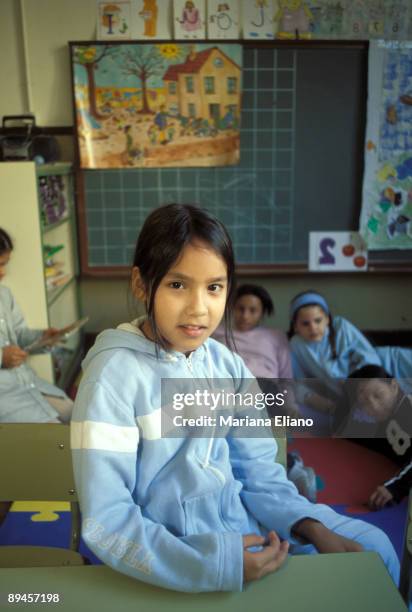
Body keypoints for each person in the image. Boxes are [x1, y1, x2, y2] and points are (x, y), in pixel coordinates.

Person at [71, 204, 399, 592]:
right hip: (177, 554)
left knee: (377, 549)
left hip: (251, 530)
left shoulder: (226, 364)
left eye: (214, 287)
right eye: (177, 285)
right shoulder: (113, 376)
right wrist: (215, 564)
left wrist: (308, 525)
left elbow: (260, 474)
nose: (199, 307)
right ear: (142, 285)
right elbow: (107, 519)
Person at [213, 284, 316, 501]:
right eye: (240, 308)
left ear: (263, 313)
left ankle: (286, 468)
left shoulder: (275, 337)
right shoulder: (216, 332)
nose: (245, 315)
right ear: (231, 307)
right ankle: (291, 467)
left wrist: (291, 406)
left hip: (265, 389)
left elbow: (286, 379)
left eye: (253, 310)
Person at [0, 228, 73, 424]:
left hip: (26, 382)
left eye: (5, 265)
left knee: (80, 417)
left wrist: (43, 337)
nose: (2, 273)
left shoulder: (4, 295)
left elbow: (19, 334)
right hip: (5, 397)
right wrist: (2, 357)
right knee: (55, 438)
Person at [288, 290, 385, 425]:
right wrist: (313, 399)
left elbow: (370, 360)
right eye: (305, 323)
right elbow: (298, 382)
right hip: (343, 399)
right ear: (295, 326)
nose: (313, 328)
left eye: (318, 320)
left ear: (327, 319)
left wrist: (356, 385)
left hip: (370, 384)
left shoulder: (341, 327)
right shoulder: (296, 345)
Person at [348, 365, 412, 511]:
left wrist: (395, 486)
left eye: (378, 395)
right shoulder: (386, 420)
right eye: (364, 402)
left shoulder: (408, 407)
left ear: (394, 386)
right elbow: (376, 440)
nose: (374, 406)